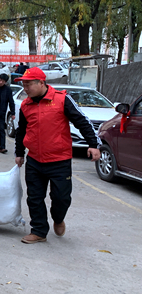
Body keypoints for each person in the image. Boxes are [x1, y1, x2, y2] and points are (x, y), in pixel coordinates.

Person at [14, 67, 101, 244]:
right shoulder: (25, 105)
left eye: (28, 84)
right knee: (34, 198)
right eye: (23, 85)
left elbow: (82, 121)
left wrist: (93, 144)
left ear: (41, 83)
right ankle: (39, 231)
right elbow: (21, 130)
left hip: (59, 160)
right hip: (35, 160)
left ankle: (58, 218)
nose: (25, 88)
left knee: (61, 198)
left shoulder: (62, 100)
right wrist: (19, 152)